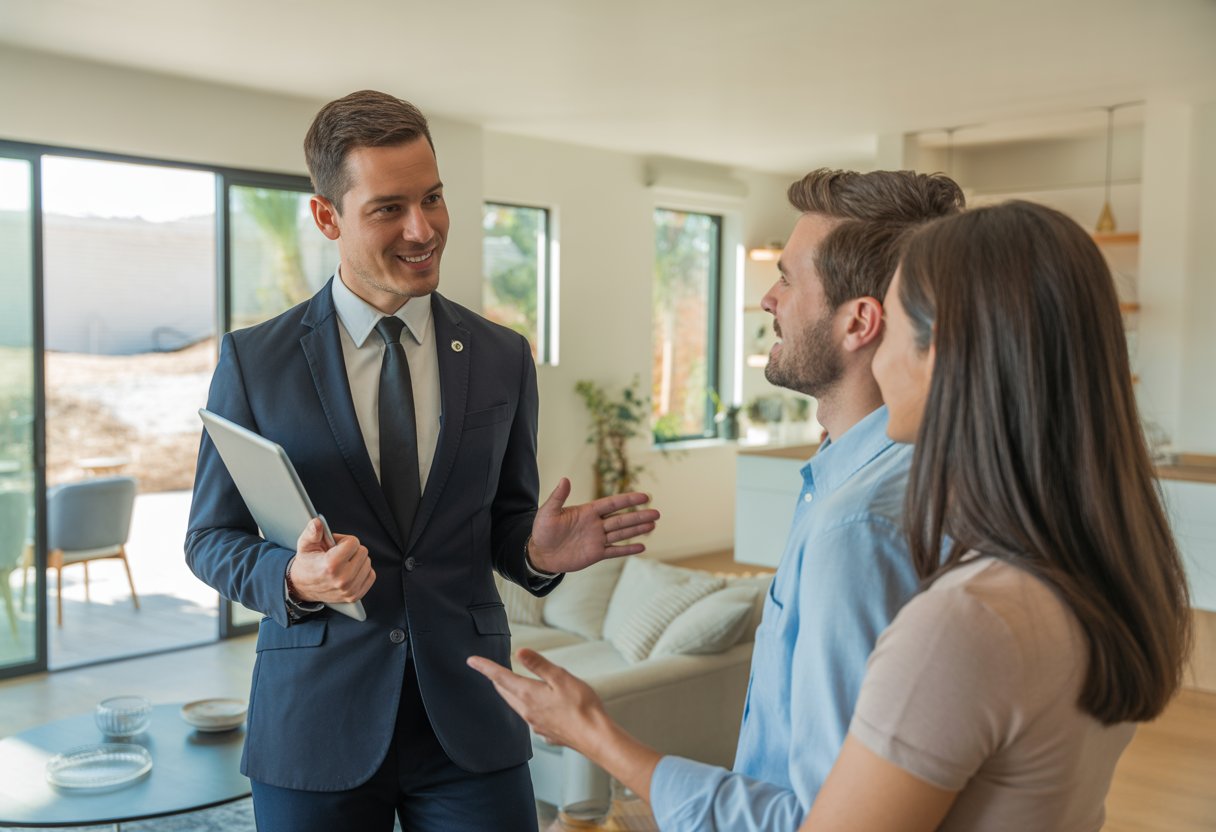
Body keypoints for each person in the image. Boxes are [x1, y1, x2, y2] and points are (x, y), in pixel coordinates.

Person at [473, 201, 1193, 831]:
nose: (879, 356)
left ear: (941, 354)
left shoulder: (955, 613)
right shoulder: (1087, 569)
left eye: (895, 323)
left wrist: (595, 734)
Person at [185, 90, 659, 832]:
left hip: (470, 719)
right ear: (327, 217)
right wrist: (295, 578)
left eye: (433, 198)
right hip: (316, 720)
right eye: (389, 208)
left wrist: (536, 552)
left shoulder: (503, 356)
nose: (423, 229)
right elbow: (209, 539)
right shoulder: (255, 362)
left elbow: (504, 524)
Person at [472, 169, 964, 830]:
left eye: (788, 279)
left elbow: (819, 818)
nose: (768, 299)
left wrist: (594, 735)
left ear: (859, 322)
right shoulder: (876, 480)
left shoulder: (856, 526)